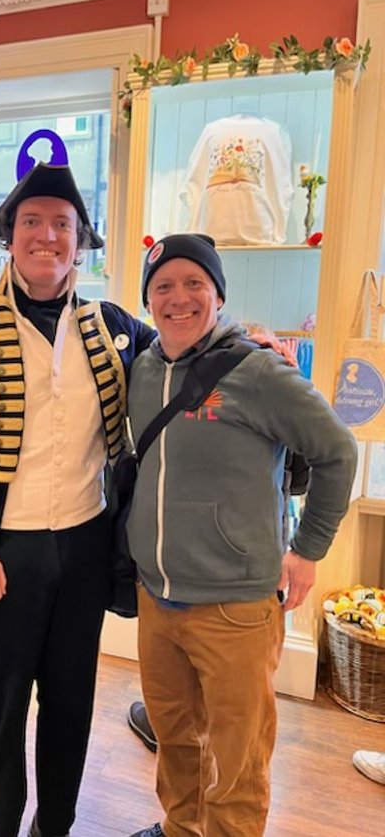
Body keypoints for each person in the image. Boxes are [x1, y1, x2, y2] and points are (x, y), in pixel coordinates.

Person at [0, 162, 154, 837]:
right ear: (9, 238)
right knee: (0, 711)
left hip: (85, 547)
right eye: (32, 222)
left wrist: (247, 344)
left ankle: (56, 829)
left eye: (62, 225)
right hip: (2, 552)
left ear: (79, 242)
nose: (47, 235)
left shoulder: (113, 326)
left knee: (72, 706)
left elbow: (183, 355)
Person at [125, 233, 357, 837]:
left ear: (218, 294)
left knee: (238, 763)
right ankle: (179, 830)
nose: (178, 299)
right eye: (163, 286)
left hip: (235, 608)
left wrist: (308, 550)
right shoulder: (144, 368)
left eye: (194, 284)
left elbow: (337, 450)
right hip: (157, 599)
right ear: (149, 299)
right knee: (175, 742)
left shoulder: (258, 370)